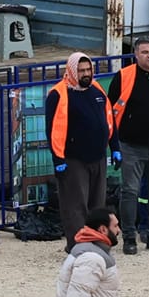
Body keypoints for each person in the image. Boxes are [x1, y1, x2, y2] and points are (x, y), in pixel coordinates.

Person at [107, 35, 149, 255]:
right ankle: (129, 236)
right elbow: (111, 111)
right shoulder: (124, 76)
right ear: (136, 55)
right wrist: (115, 145)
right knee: (130, 192)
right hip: (131, 145)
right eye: (145, 52)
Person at [45, 52, 111, 245]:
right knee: (75, 205)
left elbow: (108, 119)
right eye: (81, 70)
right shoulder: (58, 93)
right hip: (73, 159)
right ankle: (77, 245)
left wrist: (114, 146)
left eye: (88, 69)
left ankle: (97, 241)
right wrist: (58, 159)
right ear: (72, 71)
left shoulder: (97, 89)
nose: (86, 74)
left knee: (97, 204)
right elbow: (52, 130)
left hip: (98, 156)